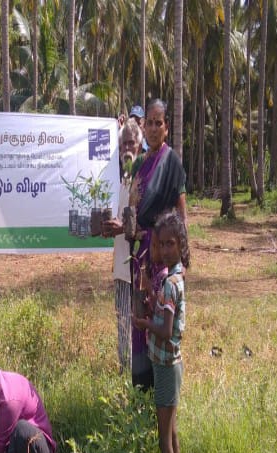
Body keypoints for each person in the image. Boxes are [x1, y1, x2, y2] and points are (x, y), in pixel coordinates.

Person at [105, 99, 187, 391]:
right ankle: (140, 392)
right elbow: (132, 212)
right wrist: (123, 229)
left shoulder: (172, 163)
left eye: (158, 122)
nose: (153, 128)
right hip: (138, 256)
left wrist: (182, 262)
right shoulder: (139, 164)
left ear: (166, 126)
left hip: (161, 257)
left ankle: (163, 395)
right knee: (140, 324)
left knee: (160, 324)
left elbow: (180, 216)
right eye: (149, 123)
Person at [131, 211, 189, 453]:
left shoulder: (170, 282)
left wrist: (143, 323)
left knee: (164, 439)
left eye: (170, 244)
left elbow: (166, 330)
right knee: (172, 433)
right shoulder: (176, 278)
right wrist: (154, 301)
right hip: (170, 364)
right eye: (160, 244)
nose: (164, 250)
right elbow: (169, 314)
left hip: (166, 368)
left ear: (181, 245)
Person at [104, 119, 143, 373]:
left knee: (139, 322)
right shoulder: (116, 182)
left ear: (139, 146)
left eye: (132, 142)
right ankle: (123, 369)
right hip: (120, 266)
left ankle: (139, 371)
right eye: (124, 143)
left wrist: (124, 228)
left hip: (140, 265)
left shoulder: (145, 178)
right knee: (122, 320)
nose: (128, 147)